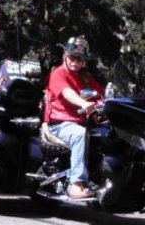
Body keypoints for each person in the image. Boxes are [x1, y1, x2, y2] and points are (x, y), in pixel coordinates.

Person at [44, 36, 104, 199]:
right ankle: (76, 184)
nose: (75, 62)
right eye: (72, 57)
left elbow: (100, 93)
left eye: (80, 59)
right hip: (60, 124)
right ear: (65, 55)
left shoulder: (84, 76)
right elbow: (67, 93)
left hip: (83, 122)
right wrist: (83, 103)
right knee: (80, 134)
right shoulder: (58, 74)